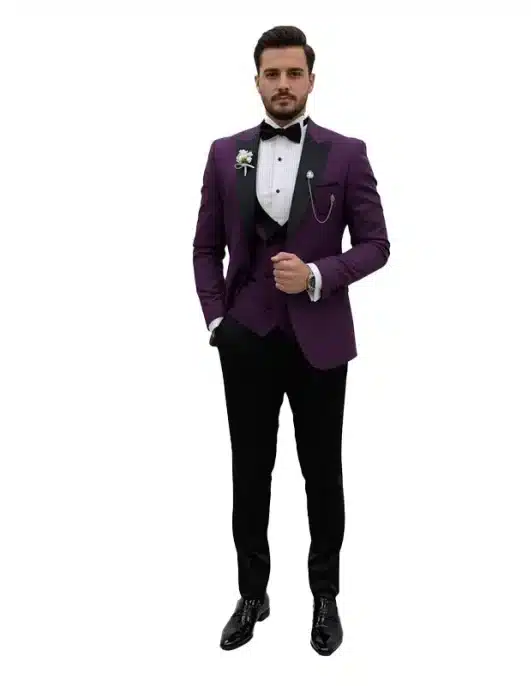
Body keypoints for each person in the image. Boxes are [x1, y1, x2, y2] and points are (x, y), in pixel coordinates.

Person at [192, 25, 390, 656]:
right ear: (257, 81)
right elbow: (205, 248)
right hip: (246, 338)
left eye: (293, 73)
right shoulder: (224, 154)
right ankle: (252, 594)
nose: (283, 84)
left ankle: (324, 596)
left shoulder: (347, 154)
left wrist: (318, 275)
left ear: (311, 79)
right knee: (250, 471)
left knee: (321, 471)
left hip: (320, 339)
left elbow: (376, 245)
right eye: (272, 74)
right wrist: (217, 321)